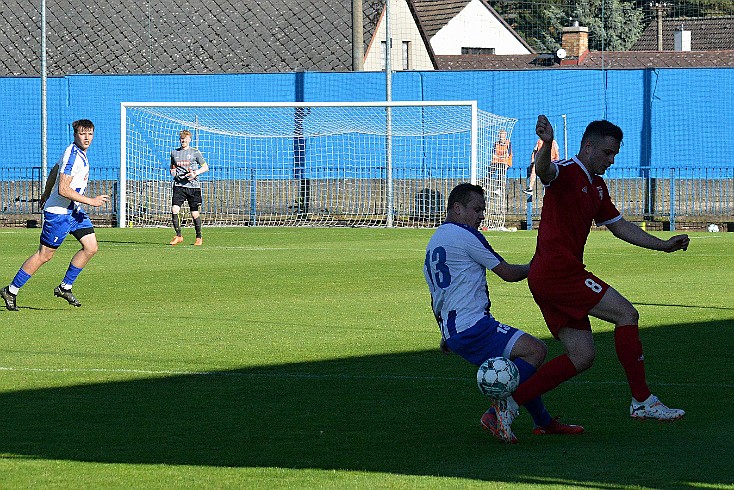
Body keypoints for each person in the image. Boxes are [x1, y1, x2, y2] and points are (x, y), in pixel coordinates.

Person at [491, 116, 690, 439]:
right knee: (627, 314)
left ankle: (505, 406)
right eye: (608, 153)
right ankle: (642, 400)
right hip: (559, 274)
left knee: (582, 356)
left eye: (614, 155)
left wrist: (663, 246)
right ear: (588, 147)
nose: (611, 161)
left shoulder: (597, 187)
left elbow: (620, 226)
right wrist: (545, 143)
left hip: (551, 277)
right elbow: (544, 172)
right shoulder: (567, 171)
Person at [424, 183, 583, 444]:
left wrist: (444, 333)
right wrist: (539, 265)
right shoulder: (465, 235)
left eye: (482, 210)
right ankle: (496, 413)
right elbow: (508, 273)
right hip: (473, 326)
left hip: (456, 330)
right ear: (457, 208)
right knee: (535, 351)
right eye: (476, 210)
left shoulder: (434, 243)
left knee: (519, 368)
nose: (481, 216)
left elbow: (436, 295)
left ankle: (544, 423)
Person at [1, 119, 110, 311]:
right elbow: (63, 189)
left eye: (90, 134)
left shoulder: (76, 153)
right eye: (82, 133)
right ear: (75, 135)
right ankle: (11, 290)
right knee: (44, 255)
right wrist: (91, 201)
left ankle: (65, 287)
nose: (87, 137)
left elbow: (53, 171)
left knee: (91, 247)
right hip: (59, 214)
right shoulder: (73, 156)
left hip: (74, 211)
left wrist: (44, 192)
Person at [169, 129, 208, 246]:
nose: (183, 140)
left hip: (193, 187)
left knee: (194, 213)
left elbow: (205, 167)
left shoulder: (195, 152)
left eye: (185, 139)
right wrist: (174, 174)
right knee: (174, 209)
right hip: (179, 186)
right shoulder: (174, 153)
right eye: (181, 138)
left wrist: (195, 173)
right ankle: (178, 235)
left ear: (189, 140)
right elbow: (172, 168)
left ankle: (199, 237)